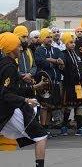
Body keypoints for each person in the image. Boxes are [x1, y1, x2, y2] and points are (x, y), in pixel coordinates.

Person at [0, 32, 47, 167]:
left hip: (6, 110)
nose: (21, 49)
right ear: (12, 48)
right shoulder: (9, 67)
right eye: (18, 46)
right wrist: (26, 100)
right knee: (41, 136)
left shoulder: (5, 63)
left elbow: (11, 88)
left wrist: (31, 86)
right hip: (8, 111)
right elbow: (6, 94)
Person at [34, 28, 65, 135]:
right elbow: (41, 62)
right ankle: (43, 128)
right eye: (47, 37)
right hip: (45, 83)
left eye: (50, 37)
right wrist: (55, 61)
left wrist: (51, 60)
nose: (50, 39)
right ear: (42, 38)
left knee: (52, 106)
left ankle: (47, 128)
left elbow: (62, 60)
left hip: (56, 82)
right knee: (44, 106)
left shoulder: (56, 50)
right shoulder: (39, 50)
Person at [61, 32, 82, 136]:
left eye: (73, 42)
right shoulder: (63, 54)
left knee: (80, 106)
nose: (73, 44)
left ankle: (80, 127)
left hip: (80, 84)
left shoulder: (78, 53)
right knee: (69, 106)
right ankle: (64, 126)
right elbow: (62, 69)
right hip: (70, 84)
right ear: (65, 43)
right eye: (70, 42)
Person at [13, 26, 37, 99]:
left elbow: (34, 66)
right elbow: (11, 68)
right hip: (17, 86)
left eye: (27, 37)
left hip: (30, 85)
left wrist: (30, 74)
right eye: (23, 37)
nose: (26, 39)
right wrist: (23, 76)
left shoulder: (29, 50)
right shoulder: (12, 51)